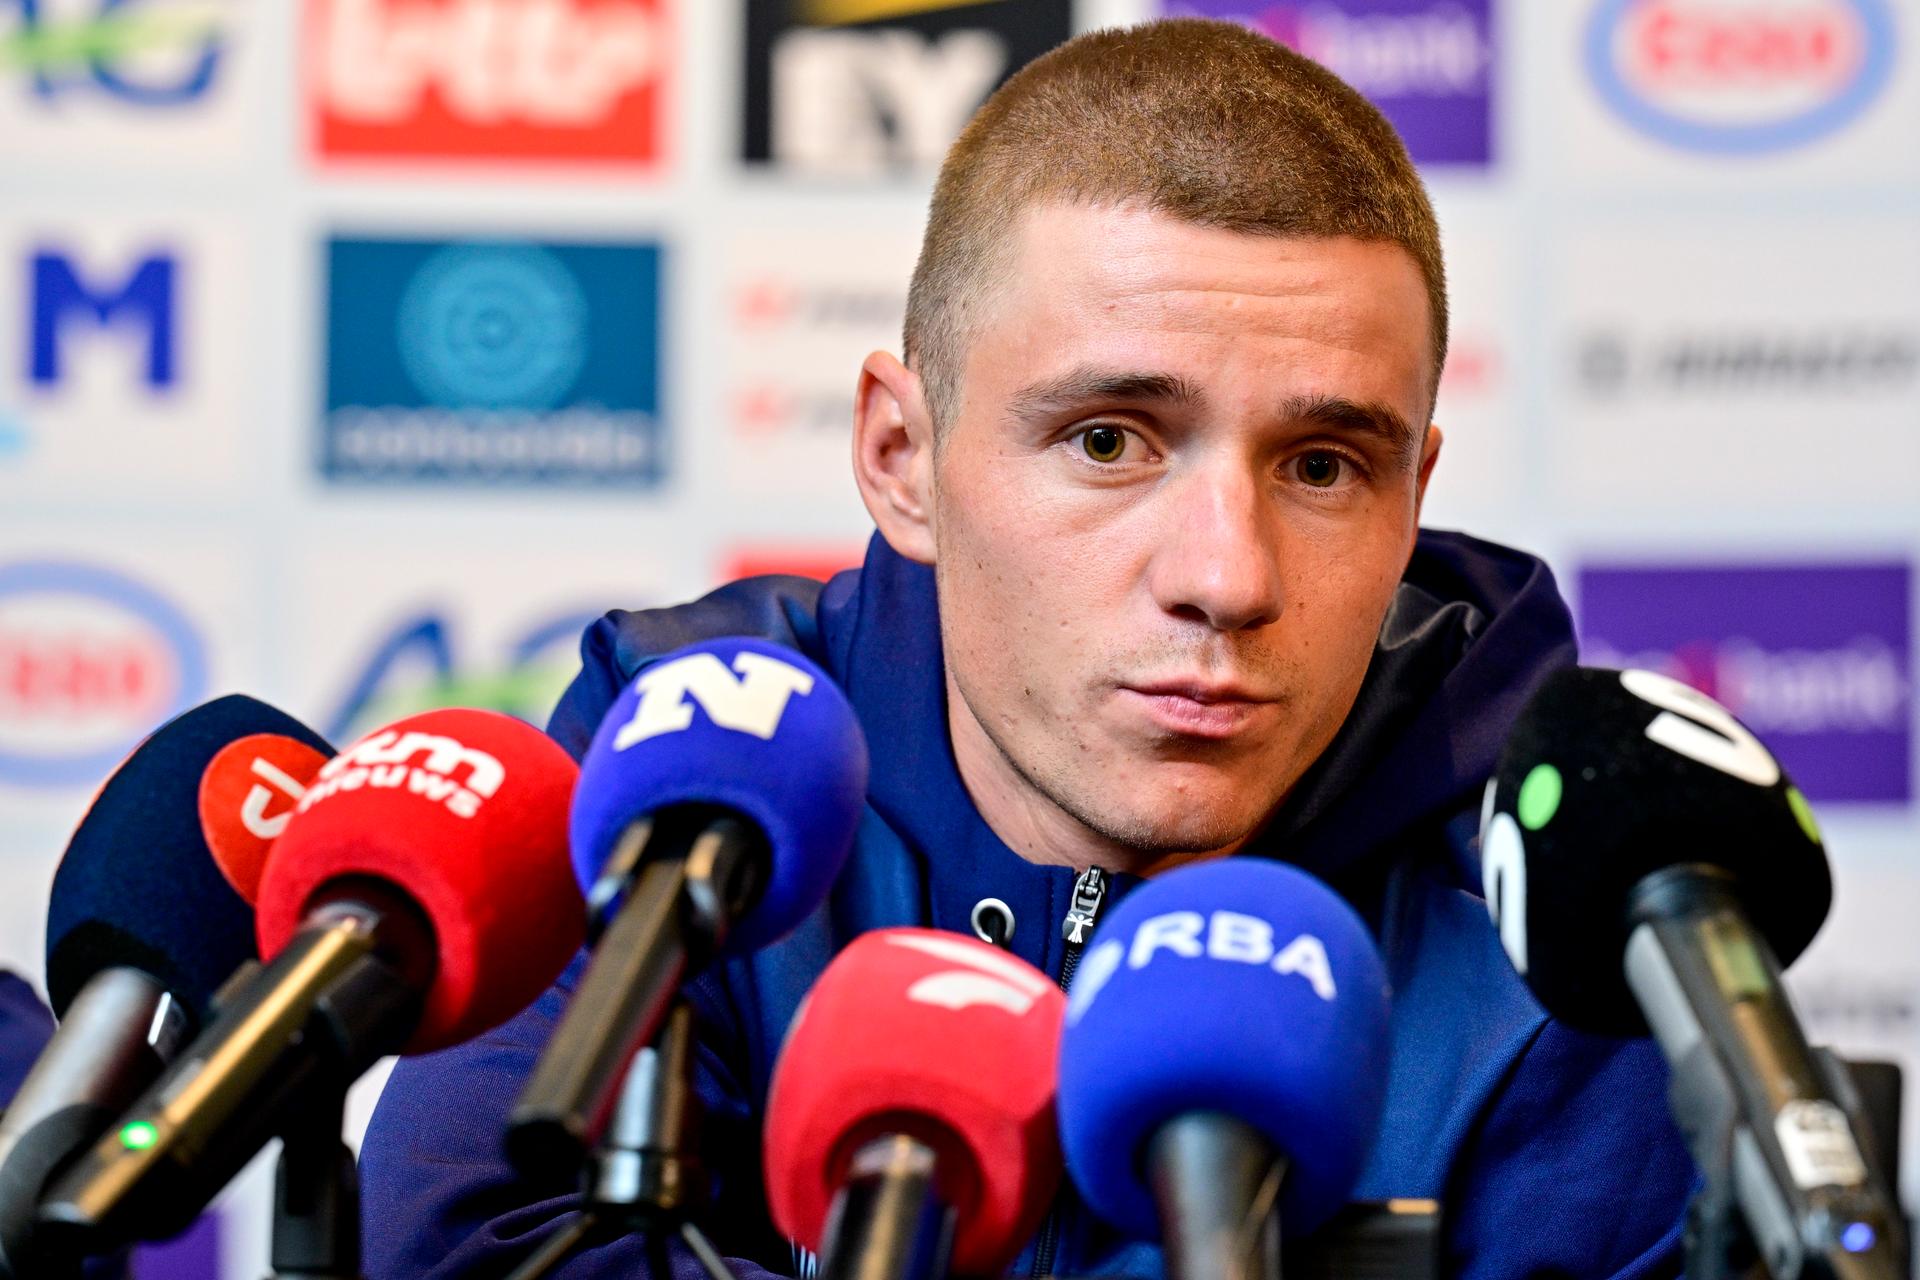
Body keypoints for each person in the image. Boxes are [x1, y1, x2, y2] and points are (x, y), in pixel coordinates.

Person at [361, 19, 1694, 1279]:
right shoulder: (693, 767)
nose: (1226, 578)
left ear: (1415, 498)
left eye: (1325, 465)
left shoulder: (1564, 910)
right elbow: (471, 1246)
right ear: (903, 460)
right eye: (1110, 440)